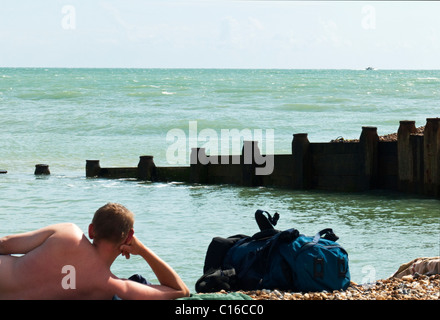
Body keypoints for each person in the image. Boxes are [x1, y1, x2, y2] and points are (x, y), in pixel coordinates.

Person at [0, 203, 190, 300]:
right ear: (129, 236)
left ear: (91, 230)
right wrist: (142, 250)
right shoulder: (110, 286)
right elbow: (180, 290)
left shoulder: (68, 233)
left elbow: (4, 243)